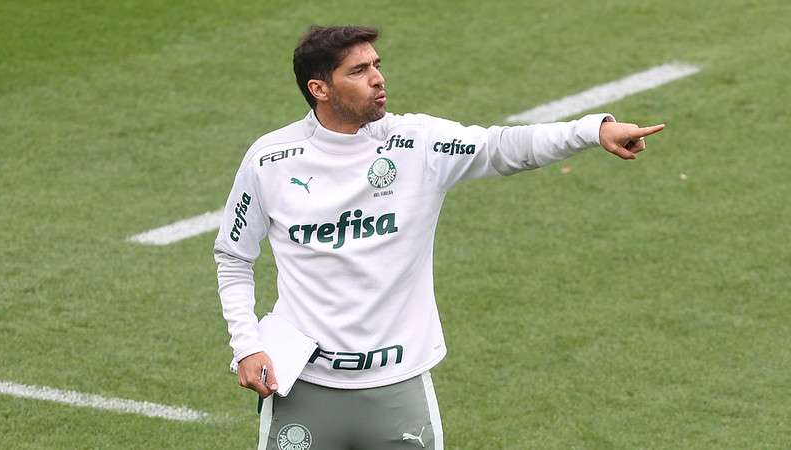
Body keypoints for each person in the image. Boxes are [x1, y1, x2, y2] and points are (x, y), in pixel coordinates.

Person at [214, 25, 664, 450]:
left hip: (399, 385)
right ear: (319, 88)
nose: (378, 79)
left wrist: (593, 131)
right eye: (359, 71)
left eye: (376, 65)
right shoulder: (270, 160)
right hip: (306, 388)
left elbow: (503, 147)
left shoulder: (417, 143)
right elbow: (234, 255)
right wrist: (248, 344)